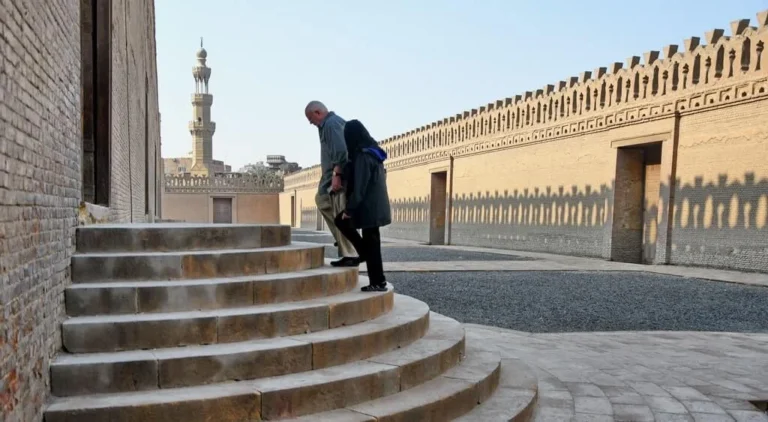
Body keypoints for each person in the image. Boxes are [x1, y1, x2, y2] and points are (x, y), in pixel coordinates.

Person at [334, 119, 391, 292]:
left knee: (342, 221)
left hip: (369, 207)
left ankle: (377, 279)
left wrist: (349, 210)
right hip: (375, 206)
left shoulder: (364, 156)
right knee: (372, 244)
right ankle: (378, 280)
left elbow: (360, 187)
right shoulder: (373, 153)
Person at [304, 101, 360, 267]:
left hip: (337, 177)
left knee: (340, 214)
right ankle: (345, 241)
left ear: (317, 112)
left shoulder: (331, 124)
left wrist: (337, 174)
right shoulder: (327, 125)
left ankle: (351, 251)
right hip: (329, 177)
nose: (310, 122)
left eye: (310, 118)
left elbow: (342, 152)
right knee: (322, 201)